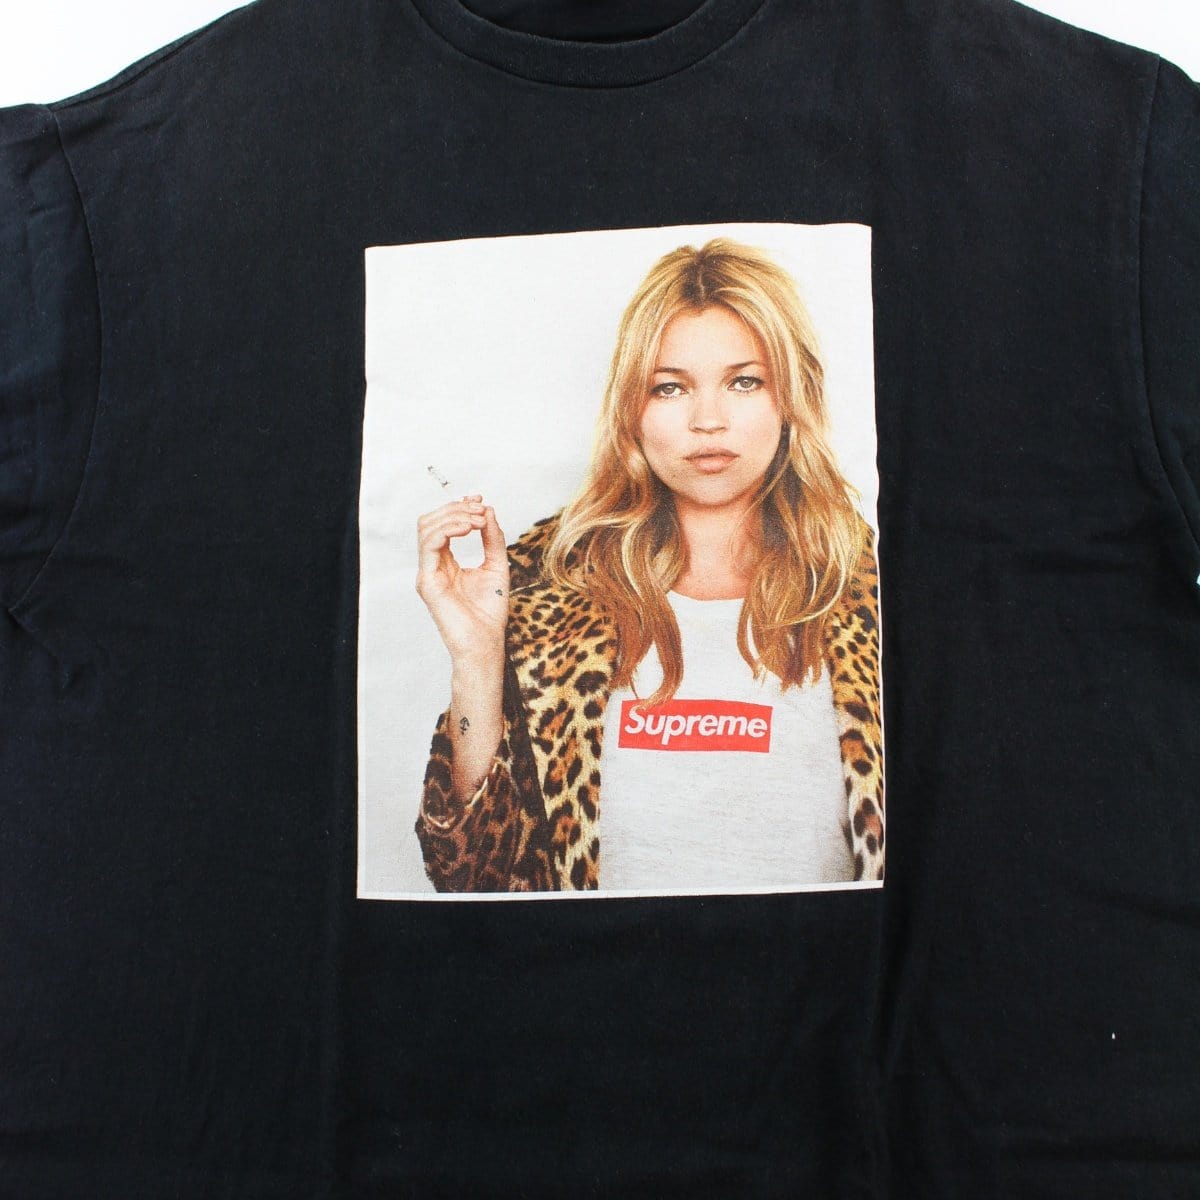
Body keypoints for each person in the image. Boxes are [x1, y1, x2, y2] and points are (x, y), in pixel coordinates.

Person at [413, 237, 883, 893]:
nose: (708, 420)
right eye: (670, 387)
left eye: (744, 381)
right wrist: (476, 659)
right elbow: (467, 875)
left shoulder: (866, 589)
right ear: (632, 409)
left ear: (791, 396)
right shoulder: (548, 584)